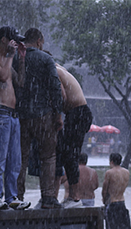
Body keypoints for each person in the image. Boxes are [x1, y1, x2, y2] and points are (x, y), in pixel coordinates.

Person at [14, 28, 64, 209]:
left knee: (20, 158)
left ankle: (17, 196)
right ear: (39, 41)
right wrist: (58, 114)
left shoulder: (16, 58)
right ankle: (48, 197)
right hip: (43, 115)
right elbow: (55, 87)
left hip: (20, 115)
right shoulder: (45, 59)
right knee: (48, 156)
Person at [0, 26, 29, 211]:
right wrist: (11, 55)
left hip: (13, 116)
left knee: (14, 161)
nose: (15, 44)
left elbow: (20, 82)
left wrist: (22, 59)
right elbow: (2, 77)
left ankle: (12, 196)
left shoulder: (9, 61)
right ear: (3, 40)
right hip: (0, 113)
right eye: (13, 40)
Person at [55, 63, 93, 208]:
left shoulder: (53, 70)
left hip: (77, 113)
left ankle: (75, 197)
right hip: (79, 113)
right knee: (68, 154)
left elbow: (61, 96)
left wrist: (57, 115)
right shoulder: (60, 69)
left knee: (70, 155)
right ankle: (73, 196)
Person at [102, 152, 131, 229]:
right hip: (122, 203)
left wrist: (104, 200)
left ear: (111, 162)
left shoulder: (109, 173)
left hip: (112, 204)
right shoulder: (126, 172)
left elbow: (104, 190)